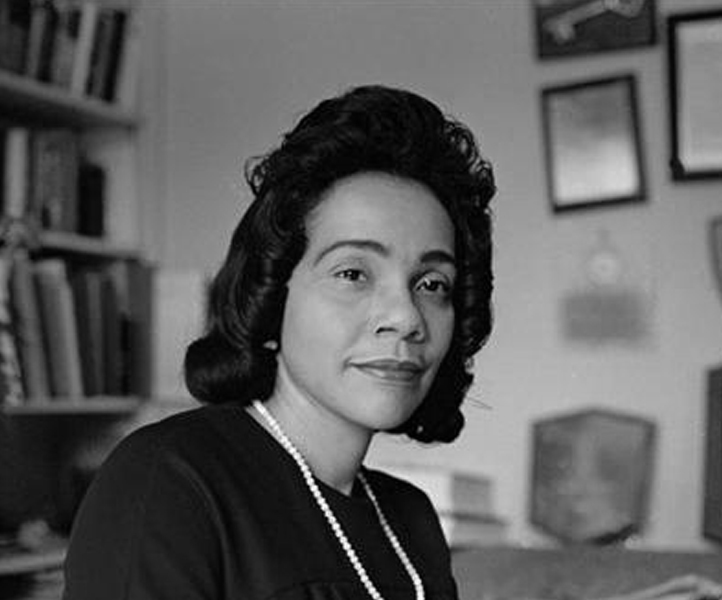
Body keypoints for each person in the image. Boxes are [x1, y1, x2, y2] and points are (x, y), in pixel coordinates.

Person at [62, 84, 496, 600]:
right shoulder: (171, 481)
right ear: (273, 293)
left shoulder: (411, 522)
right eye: (353, 272)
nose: (405, 317)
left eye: (432, 284)